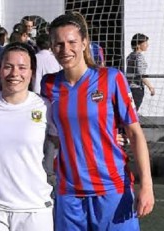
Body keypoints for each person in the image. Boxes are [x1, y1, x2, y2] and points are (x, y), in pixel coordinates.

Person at [41, 12, 154, 231]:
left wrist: (146, 185)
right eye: (58, 44)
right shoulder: (48, 84)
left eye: (72, 42)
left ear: (84, 43)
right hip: (69, 193)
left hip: (112, 188)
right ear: (52, 47)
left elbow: (135, 134)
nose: (65, 50)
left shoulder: (111, 78)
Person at [0, 42, 57, 231]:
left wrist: (111, 139)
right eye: (8, 66)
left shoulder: (46, 107)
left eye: (22, 67)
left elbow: (70, 140)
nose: (14, 73)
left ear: (32, 72)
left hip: (34, 208)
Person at [126, 33, 155, 111]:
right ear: (138, 45)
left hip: (129, 88)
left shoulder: (130, 56)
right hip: (136, 89)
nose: (147, 45)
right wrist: (150, 87)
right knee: (133, 113)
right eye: (145, 43)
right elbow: (141, 74)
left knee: (130, 112)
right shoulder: (139, 56)